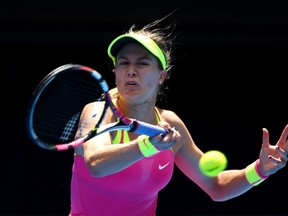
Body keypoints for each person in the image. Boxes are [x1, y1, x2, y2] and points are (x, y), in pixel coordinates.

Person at [69, 15, 288, 216]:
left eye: (142, 63)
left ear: (161, 76)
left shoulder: (170, 123)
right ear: (115, 72)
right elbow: (96, 164)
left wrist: (259, 171)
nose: (131, 70)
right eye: (123, 63)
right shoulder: (99, 112)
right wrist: (149, 146)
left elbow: (217, 186)